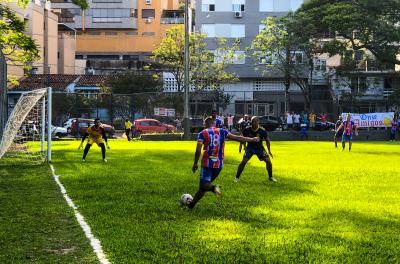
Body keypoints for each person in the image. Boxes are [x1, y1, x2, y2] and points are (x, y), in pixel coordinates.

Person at [187, 116, 259, 209]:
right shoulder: (222, 131)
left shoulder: (202, 133)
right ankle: (191, 206)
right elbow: (237, 138)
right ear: (214, 124)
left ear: (205, 125)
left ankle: (213, 188)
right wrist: (252, 139)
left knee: (204, 185)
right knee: (204, 187)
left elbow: (198, 150)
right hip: (218, 165)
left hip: (207, 164)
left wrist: (195, 163)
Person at [235, 116, 277, 182]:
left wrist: (269, 151)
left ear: (258, 122)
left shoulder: (262, 130)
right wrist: (244, 147)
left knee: (268, 162)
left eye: (255, 121)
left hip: (259, 148)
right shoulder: (247, 129)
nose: (253, 123)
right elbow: (242, 138)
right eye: (252, 122)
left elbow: (267, 140)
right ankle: (237, 178)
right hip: (250, 148)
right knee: (243, 162)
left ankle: (270, 177)